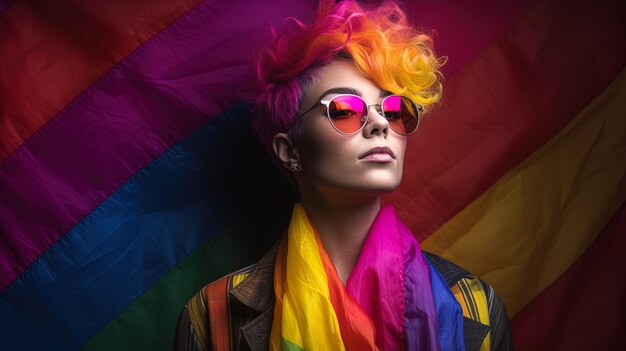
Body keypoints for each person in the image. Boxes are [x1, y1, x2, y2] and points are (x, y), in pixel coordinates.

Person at [173, 1, 512, 350]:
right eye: (345, 110)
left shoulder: (475, 305)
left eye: (394, 110)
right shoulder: (213, 315)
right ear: (290, 151)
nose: (381, 124)